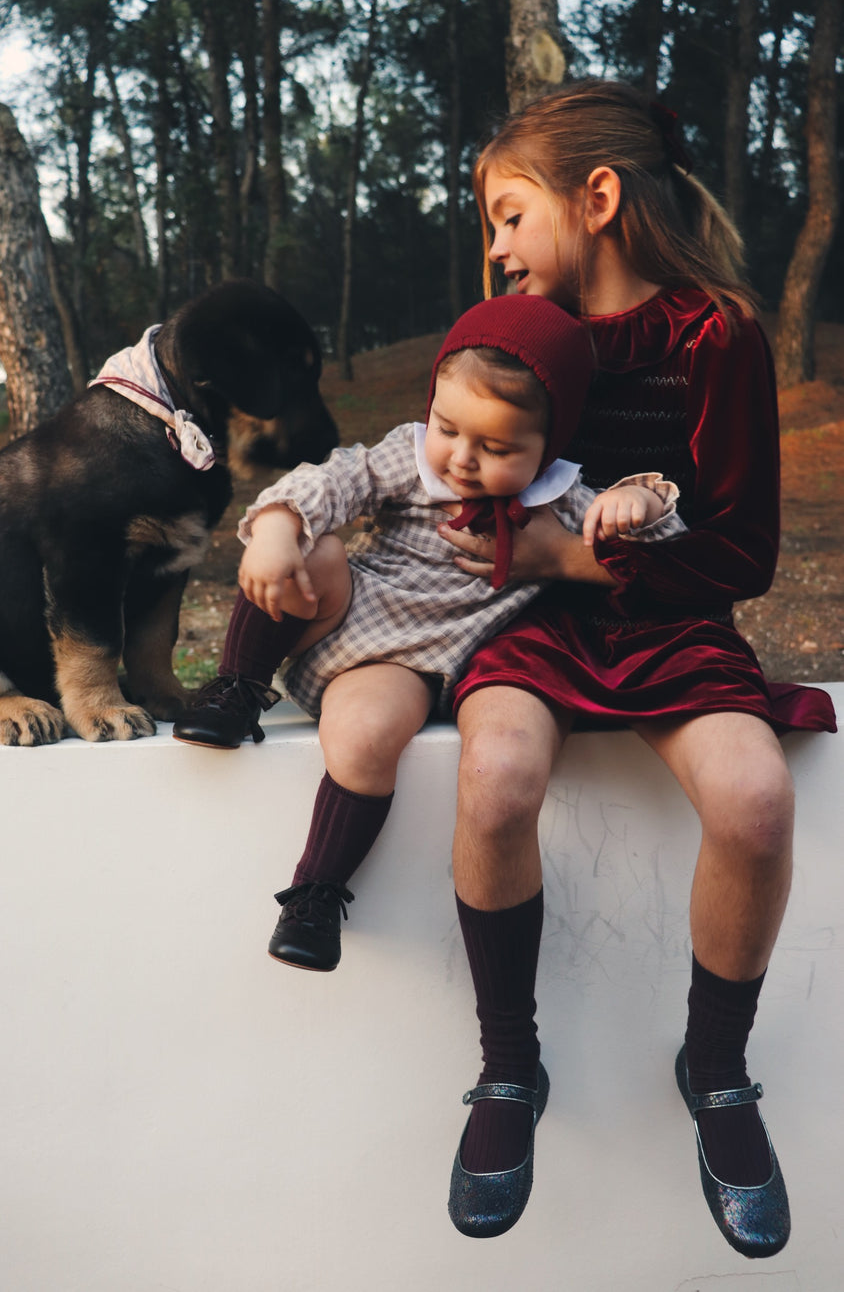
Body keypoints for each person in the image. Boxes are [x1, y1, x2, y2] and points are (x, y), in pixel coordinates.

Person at [434, 80, 837, 1249]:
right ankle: (510, 1068)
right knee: (496, 776)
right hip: (532, 627)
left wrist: (590, 558)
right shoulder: (506, 339)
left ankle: (716, 1068)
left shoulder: (717, 331)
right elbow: (462, 504)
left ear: (597, 197)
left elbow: (744, 550)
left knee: (756, 803)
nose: (497, 249)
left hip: (674, 622)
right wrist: (522, 548)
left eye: (510, 215)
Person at [173, 294, 684, 974]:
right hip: (346, 610)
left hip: (411, 667)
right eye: (448, 428)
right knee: (313, 544)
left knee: (363, 740)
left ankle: (315, 897)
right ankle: (235, 688)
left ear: (549, 445)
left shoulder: (559, 501)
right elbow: (332, 480)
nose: (463, 458)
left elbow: (669, 547)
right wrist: (274, 528)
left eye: (497, 447)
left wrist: (641, 499)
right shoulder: (409, 460)